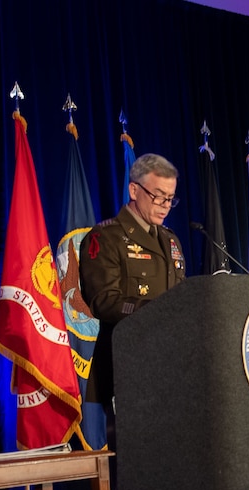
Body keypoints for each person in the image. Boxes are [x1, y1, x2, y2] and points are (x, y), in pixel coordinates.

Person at [79, 153, 187, 436]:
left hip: (171, 367)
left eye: (170, 198)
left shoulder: (171, 240)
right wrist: (156, 310)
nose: (165, 206)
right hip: (127, 368)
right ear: (134, 190)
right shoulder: (105, 238)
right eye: (158, 196)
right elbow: (103, 301)